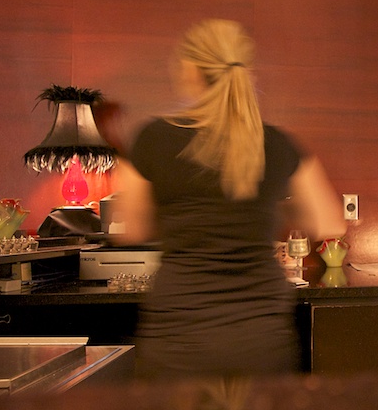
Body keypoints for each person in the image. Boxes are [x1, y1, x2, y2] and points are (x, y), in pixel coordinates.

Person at [115, 19, 347, 378]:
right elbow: (330, 222)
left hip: (179, 337)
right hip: (260, 339)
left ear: (191, 71)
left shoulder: (152, 139)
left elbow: (131, 229)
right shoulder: (278, 143)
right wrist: (272, 207)